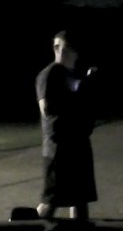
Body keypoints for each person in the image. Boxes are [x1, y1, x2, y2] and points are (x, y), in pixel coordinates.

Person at [35, 30, 98, 220]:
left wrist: (88, 85)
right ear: (56, 48)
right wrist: (81, 94)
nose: (68, 52)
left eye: (72, 48)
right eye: (64, 47)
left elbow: (80, 97)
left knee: (80, 200)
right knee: (51, 202)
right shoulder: (50, 74)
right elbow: (47, 107)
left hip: (79, 145)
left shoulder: (71, 75)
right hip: (59, 149)